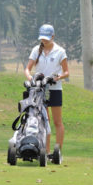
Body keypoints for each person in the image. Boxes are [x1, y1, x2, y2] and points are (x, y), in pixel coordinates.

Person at [24, 24, 69, 156]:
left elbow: (67, 72)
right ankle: (46, 151)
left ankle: (57, 153)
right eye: (42, 38)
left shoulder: (60, 51)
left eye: (46, 38)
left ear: (53, 36)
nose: (44, 41)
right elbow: (27, 69)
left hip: (54, 89)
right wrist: (31, 78)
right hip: (39, 89)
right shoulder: (35, 50)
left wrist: (58, 77)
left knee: (57, 121)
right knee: (44, 120)